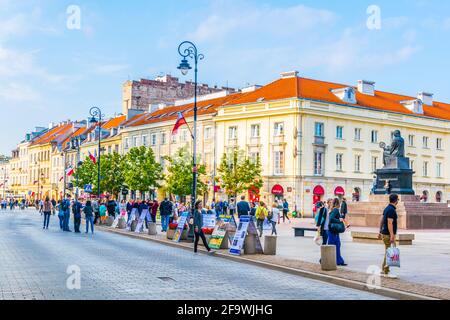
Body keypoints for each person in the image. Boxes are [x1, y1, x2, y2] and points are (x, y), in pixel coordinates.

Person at [378, 194, 399, 278]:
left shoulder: (387, 208)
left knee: (388, 252)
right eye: (398, 199)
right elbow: (390, 223)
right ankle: (385, 270)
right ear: (396, 200)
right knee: (389, 253)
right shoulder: (391, 210)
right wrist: (392, 235)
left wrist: (380, 231)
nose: (398, 201)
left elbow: (382, 220)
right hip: (388, 234)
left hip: (384, 233)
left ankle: (384, 269)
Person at [327, 198, 347, 266]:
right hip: (333, 231)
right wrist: (339, 220)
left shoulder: (333, 209)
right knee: (333, 245)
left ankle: (339, 261)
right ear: (338, 203)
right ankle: (326, 259)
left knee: (336, 245)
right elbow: (331, 219)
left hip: (333, 231)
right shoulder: (335, 210)